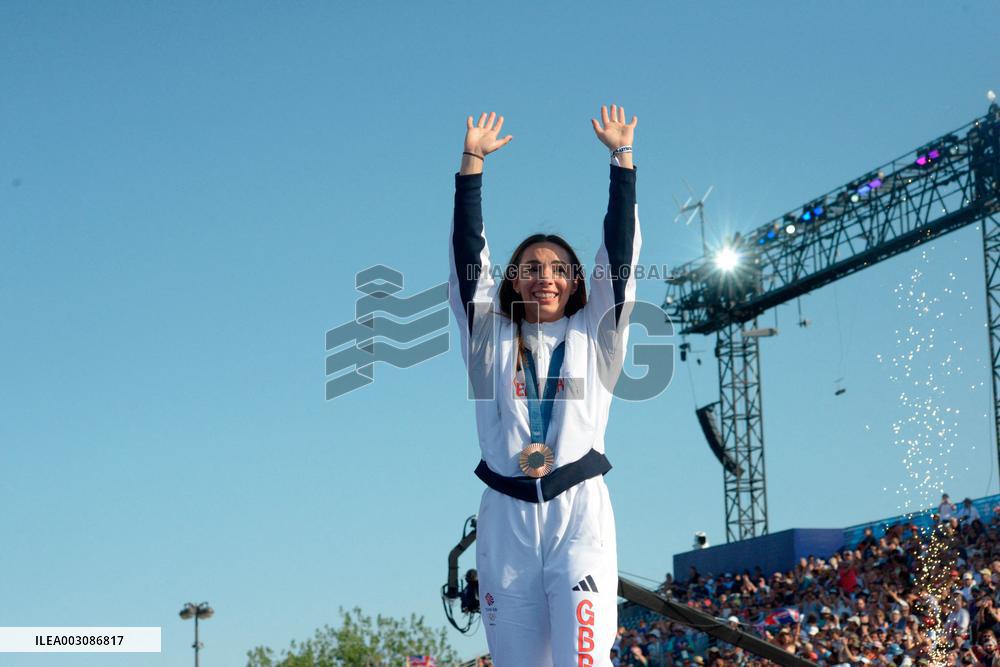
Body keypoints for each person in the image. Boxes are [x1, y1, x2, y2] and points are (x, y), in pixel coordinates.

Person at [448, 105, 640, 667]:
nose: (545, 277)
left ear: (577, 282)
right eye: (531, 268)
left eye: (558, 269)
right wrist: (472, 164)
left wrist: (622, 162)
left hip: (577, 514)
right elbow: (467, 259)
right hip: (505, 521)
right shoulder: (488, 336)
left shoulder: (597, 332)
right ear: (512, 280)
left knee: (585, 661)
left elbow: (620, 257)